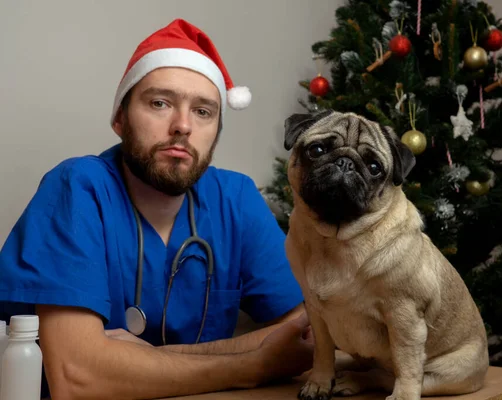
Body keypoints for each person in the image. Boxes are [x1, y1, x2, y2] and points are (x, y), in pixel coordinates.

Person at [0, 18, 314, 399]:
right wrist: (255, 364)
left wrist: (149, 359)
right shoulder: (77, 188)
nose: (182, 125)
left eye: (203, 111)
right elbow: (77, 376)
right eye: (160, 103)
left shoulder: (235, 198)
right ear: (120, 117)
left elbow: (309, 332)